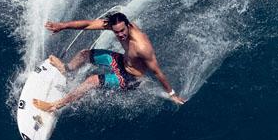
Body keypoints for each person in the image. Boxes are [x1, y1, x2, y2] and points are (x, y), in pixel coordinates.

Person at [33, 12, 187, 112]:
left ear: (128, 25)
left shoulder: (142, 46)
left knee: (92, 80)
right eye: (116, 32)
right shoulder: (114, 25)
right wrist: (63, 26)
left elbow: (157, 72)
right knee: (85, 54)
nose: (120, 35)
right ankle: (66, 69)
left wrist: (172, 94)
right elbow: (88, 24)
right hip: (122, 62)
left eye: (122, 31)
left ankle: (55, 106)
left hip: (131, 79)